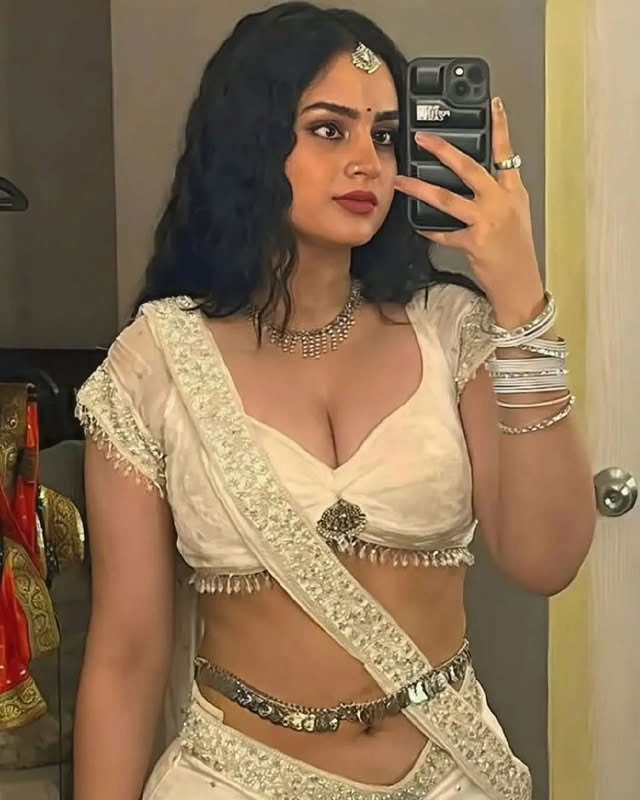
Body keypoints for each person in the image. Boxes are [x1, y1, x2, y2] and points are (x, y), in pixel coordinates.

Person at [71, 3, 596, 799]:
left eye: (385, 137)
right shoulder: (157, 362)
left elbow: (546, 558)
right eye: (328, 130)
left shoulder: (450, 331)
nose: (366, 164)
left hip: (449, 777)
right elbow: (128, 654)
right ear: (251, 141)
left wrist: (521, 299)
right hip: (235, 782)